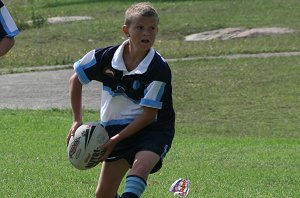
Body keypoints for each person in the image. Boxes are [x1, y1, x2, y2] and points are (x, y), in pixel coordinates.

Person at [67, 2, 175, 198]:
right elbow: (76, 79)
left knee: (140, 168)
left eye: (152, 28)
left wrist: (116, 140)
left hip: (153, 129)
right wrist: (77, 119)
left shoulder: (158, 68)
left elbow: (149, 115)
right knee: (104, 195)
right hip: (114, 129)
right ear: (126, 30)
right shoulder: (105, 57)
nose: (147, 33)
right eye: (140, 28)